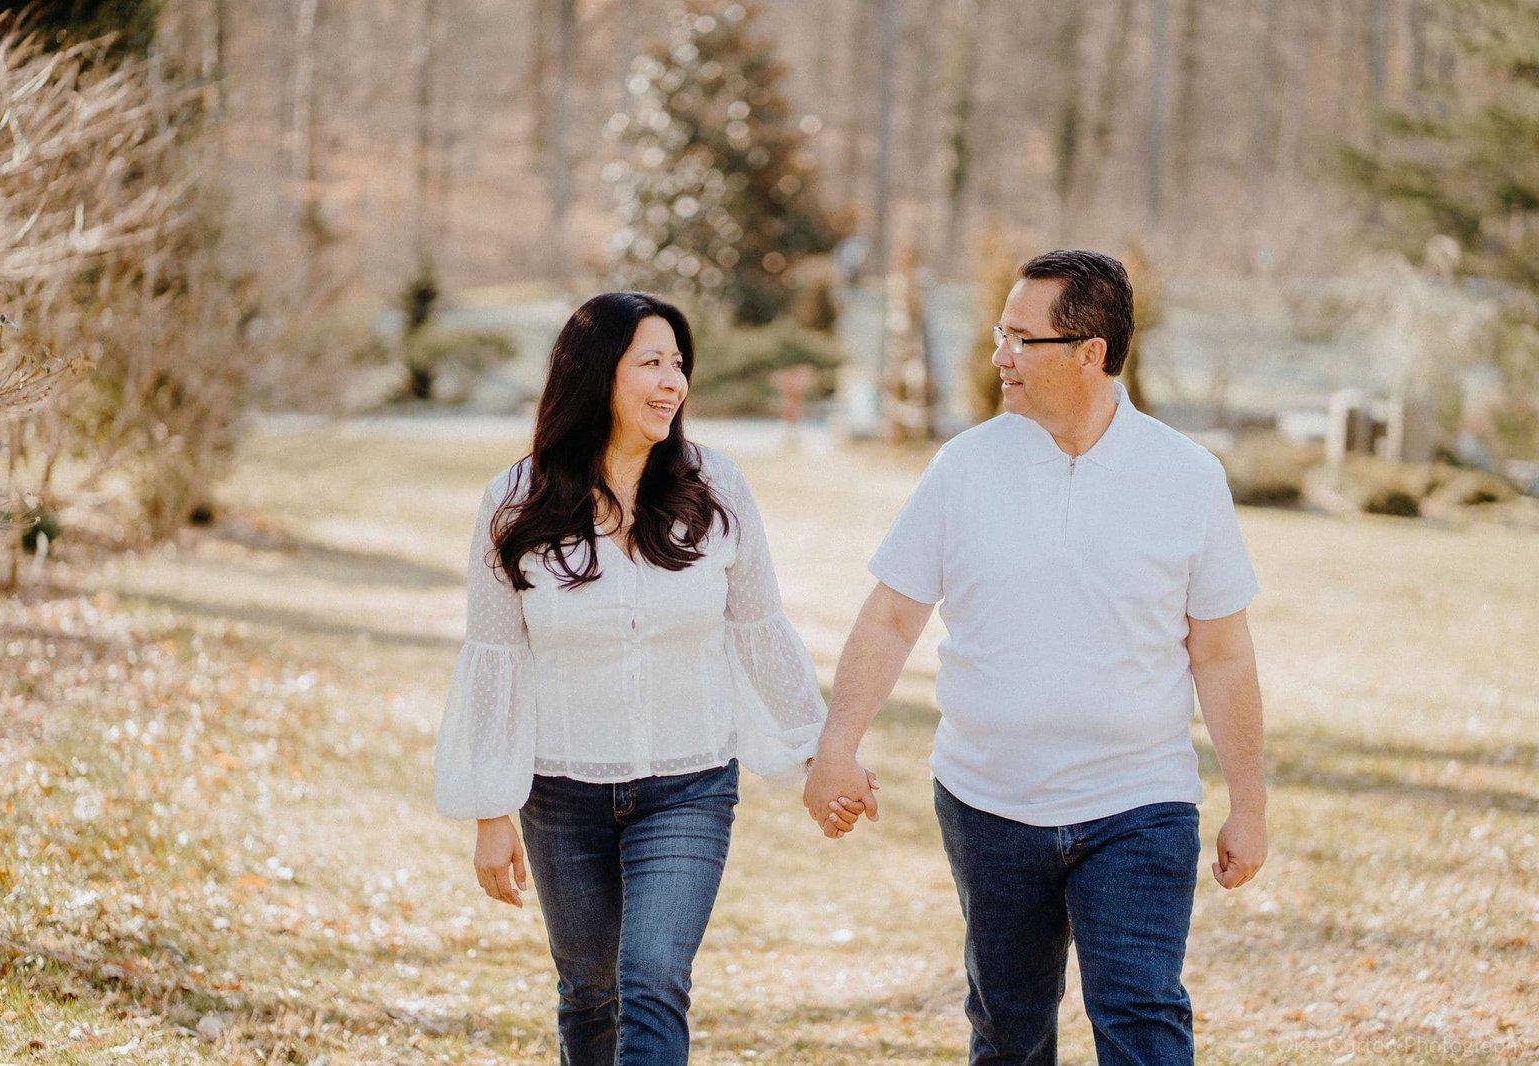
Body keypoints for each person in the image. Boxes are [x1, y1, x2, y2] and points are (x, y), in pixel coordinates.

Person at [804, 250, 1267, 1064]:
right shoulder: (965, 466)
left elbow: (1222, 653)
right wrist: (836, 747)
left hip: (1138, 800)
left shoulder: (1186, 476)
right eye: (999, 334)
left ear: (1090, 353)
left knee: (1141, 1014)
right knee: (1008, 1025)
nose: (999, 357)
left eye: (1022, 340)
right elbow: (889, 618)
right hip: (988, 801)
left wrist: (1250, 803)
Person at [434, 291, 865, 1066]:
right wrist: (490, 810)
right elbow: (496, 660)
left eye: (678, 364)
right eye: (651, 364)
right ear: (597, 374)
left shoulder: (716, 487)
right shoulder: (514, 502)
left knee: (654, 976)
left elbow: (760, 631)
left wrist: (816, 755)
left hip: (689, 782)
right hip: (562, 791)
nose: (673, 382)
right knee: (590, 991)